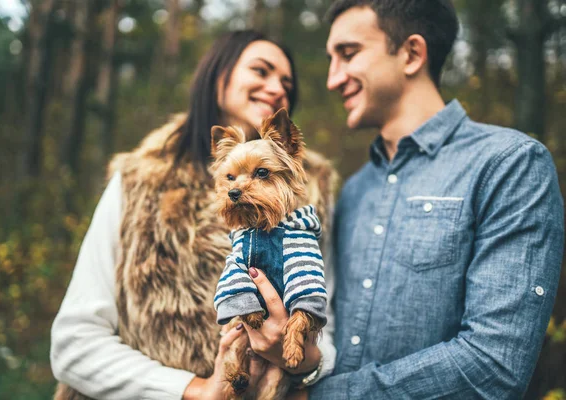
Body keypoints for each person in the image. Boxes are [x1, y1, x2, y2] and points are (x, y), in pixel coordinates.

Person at [256, 0, 563, 399]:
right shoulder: (353, 190)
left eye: (348, 54)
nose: (332, 79)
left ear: (412, 53)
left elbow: (494, 366)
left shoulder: (509, 165)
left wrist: (326, 396)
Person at [50, 30, 339, 400]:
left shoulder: (312, 198)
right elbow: (74, 344)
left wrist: (302, 361)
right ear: (218, 76)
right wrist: (194, 390)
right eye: (261, 71)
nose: (277, 88)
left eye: (286, 82)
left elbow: (325, 328)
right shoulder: (139, 181)